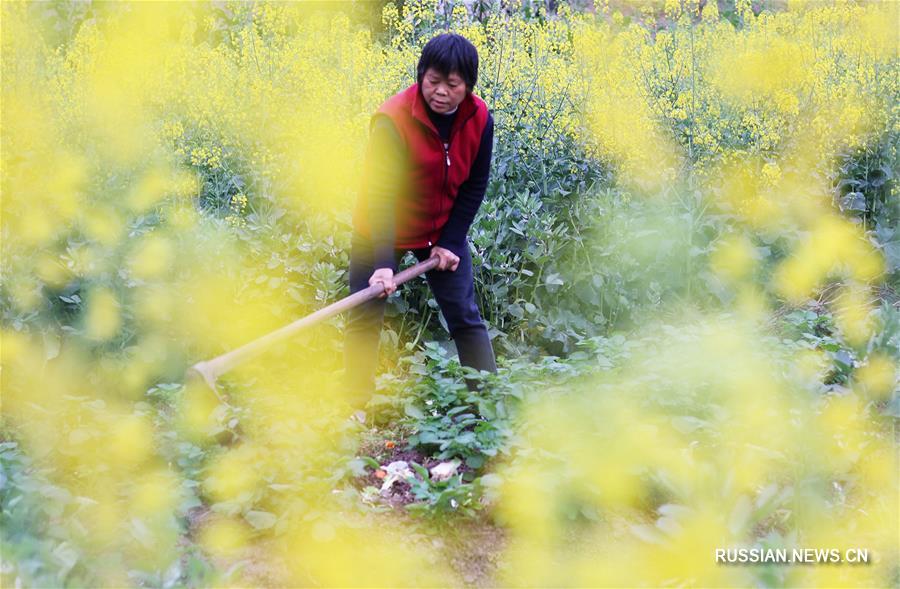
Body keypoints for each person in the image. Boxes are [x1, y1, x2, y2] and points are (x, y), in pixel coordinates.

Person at [343, 33, 497, 416]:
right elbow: (380, 195)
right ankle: (352, 411)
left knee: (465, 315)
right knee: (364, 316)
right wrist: (382, 263)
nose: (441, 92)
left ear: (468, 86)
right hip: (382, 228)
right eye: (433, 81)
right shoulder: (392, 120)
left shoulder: (479, 119)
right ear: (420, 76)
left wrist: (450, 240)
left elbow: (474, 185)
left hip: (441, 230)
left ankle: (488, 408)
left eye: (452, 84)